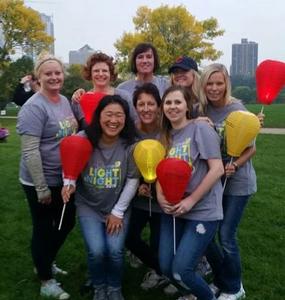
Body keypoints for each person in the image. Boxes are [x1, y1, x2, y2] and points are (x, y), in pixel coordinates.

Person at [62, 95, 139, 300]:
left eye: (119, 116)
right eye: (109, 114)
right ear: (98, 116)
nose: (114, 120)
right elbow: (70, 164)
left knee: (114, 251)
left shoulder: (131, 145)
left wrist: (118, 212)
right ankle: (99, 286)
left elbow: (133, 180)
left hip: (118, 207)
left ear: (126, 119)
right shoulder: (83, 138)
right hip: (89, 205)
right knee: (96, 251)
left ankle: (114, 287)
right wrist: (67, 184)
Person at [16, 55, 79, 299]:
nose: (54, 77)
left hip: (63, 178)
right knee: (43, 228)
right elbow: (30, 150)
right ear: (38, 77)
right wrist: (41, 188)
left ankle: (45, 260)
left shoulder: (63, 100)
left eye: (57, 73)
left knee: (66, 222)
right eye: (48, 74)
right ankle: (45, 280)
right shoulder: (34, 106)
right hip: (38, 180)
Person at [157, 85, 224, 300]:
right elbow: (160, 171)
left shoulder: (200, 128)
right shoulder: (164, 136)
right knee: (166, 266)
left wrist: (192, 200)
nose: (172, 107)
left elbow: (218, 169)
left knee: (182, 269)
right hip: (174, 210)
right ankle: (191, 293)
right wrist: (160, 196)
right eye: (168, 102)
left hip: (202, 210)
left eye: (178, 102)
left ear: (187, 106)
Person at [199, 64, 257, 300]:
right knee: (206, 235)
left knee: (226, 235)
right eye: (210, 83)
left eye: (219, 83)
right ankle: (222, 279)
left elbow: (251, 148)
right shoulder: (202, 109)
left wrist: (235, 164)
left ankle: (234, 287)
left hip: (238, 183)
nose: (214, 88)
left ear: (226, 84)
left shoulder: (237, 108)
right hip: (215, 181)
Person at [125, 83, 167, 290]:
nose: (146, 108)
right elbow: (125, 162)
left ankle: (162, 271)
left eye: (151, 103)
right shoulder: (130, 131)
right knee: (129, 237)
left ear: (159, 106)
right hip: (140, 198)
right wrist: (140, 185)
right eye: (141, 104)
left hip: (164, 199)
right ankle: (161, 269)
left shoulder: (168, 129)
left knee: (159, 244)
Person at [71, 52, 137, 122]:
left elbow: (134, 122)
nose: (101, 74)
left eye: (104, 71)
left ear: (111, 74)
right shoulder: (80, 99)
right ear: (90, 74)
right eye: (96, 71)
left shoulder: (124, 97)